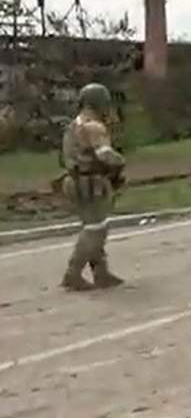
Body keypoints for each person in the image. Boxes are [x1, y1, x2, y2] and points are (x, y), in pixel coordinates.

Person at [60, 83, 127, 291]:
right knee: (95, 229)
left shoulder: (75, 124)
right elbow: (104, 154)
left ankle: (101, 272)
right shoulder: (94, 126)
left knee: (94, 226)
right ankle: (73, 273)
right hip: (90, 182)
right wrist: (120, 162)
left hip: (75, 180)